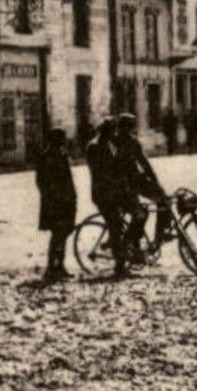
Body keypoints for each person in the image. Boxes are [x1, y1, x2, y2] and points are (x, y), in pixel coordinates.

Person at [115, 113, 169, 255]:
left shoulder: (133, 141)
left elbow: (144, 162)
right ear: (121, 127)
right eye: (127, 127)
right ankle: (128, 246)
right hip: (121, 185)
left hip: (136, 180)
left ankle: (159, 238)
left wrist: (156, 184)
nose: (129, 131)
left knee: (164, 201)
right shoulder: (114, 143)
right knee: (141, 213)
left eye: (131, 127)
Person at [84, 119, 131, 278]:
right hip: (103, 194)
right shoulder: (94, 146)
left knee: (128, 217)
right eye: (112, 130)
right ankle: (119, 265)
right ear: (105, 131)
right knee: (116, 225)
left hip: (113, 192)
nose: (115, 133)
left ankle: (117, 246)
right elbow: (100, 172)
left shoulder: (109, 144)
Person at [34, 128, 78, 283]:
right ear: (54, 140)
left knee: (64, 233)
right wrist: (53, 196)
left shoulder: (62, 154)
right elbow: (42, 182)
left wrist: (72, 197)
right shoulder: (47, 157)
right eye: (60, 138)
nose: (63, 141)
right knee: (57, 234)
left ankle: (60, 266)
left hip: (67, 200)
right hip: (55, 203)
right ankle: (51, 267)